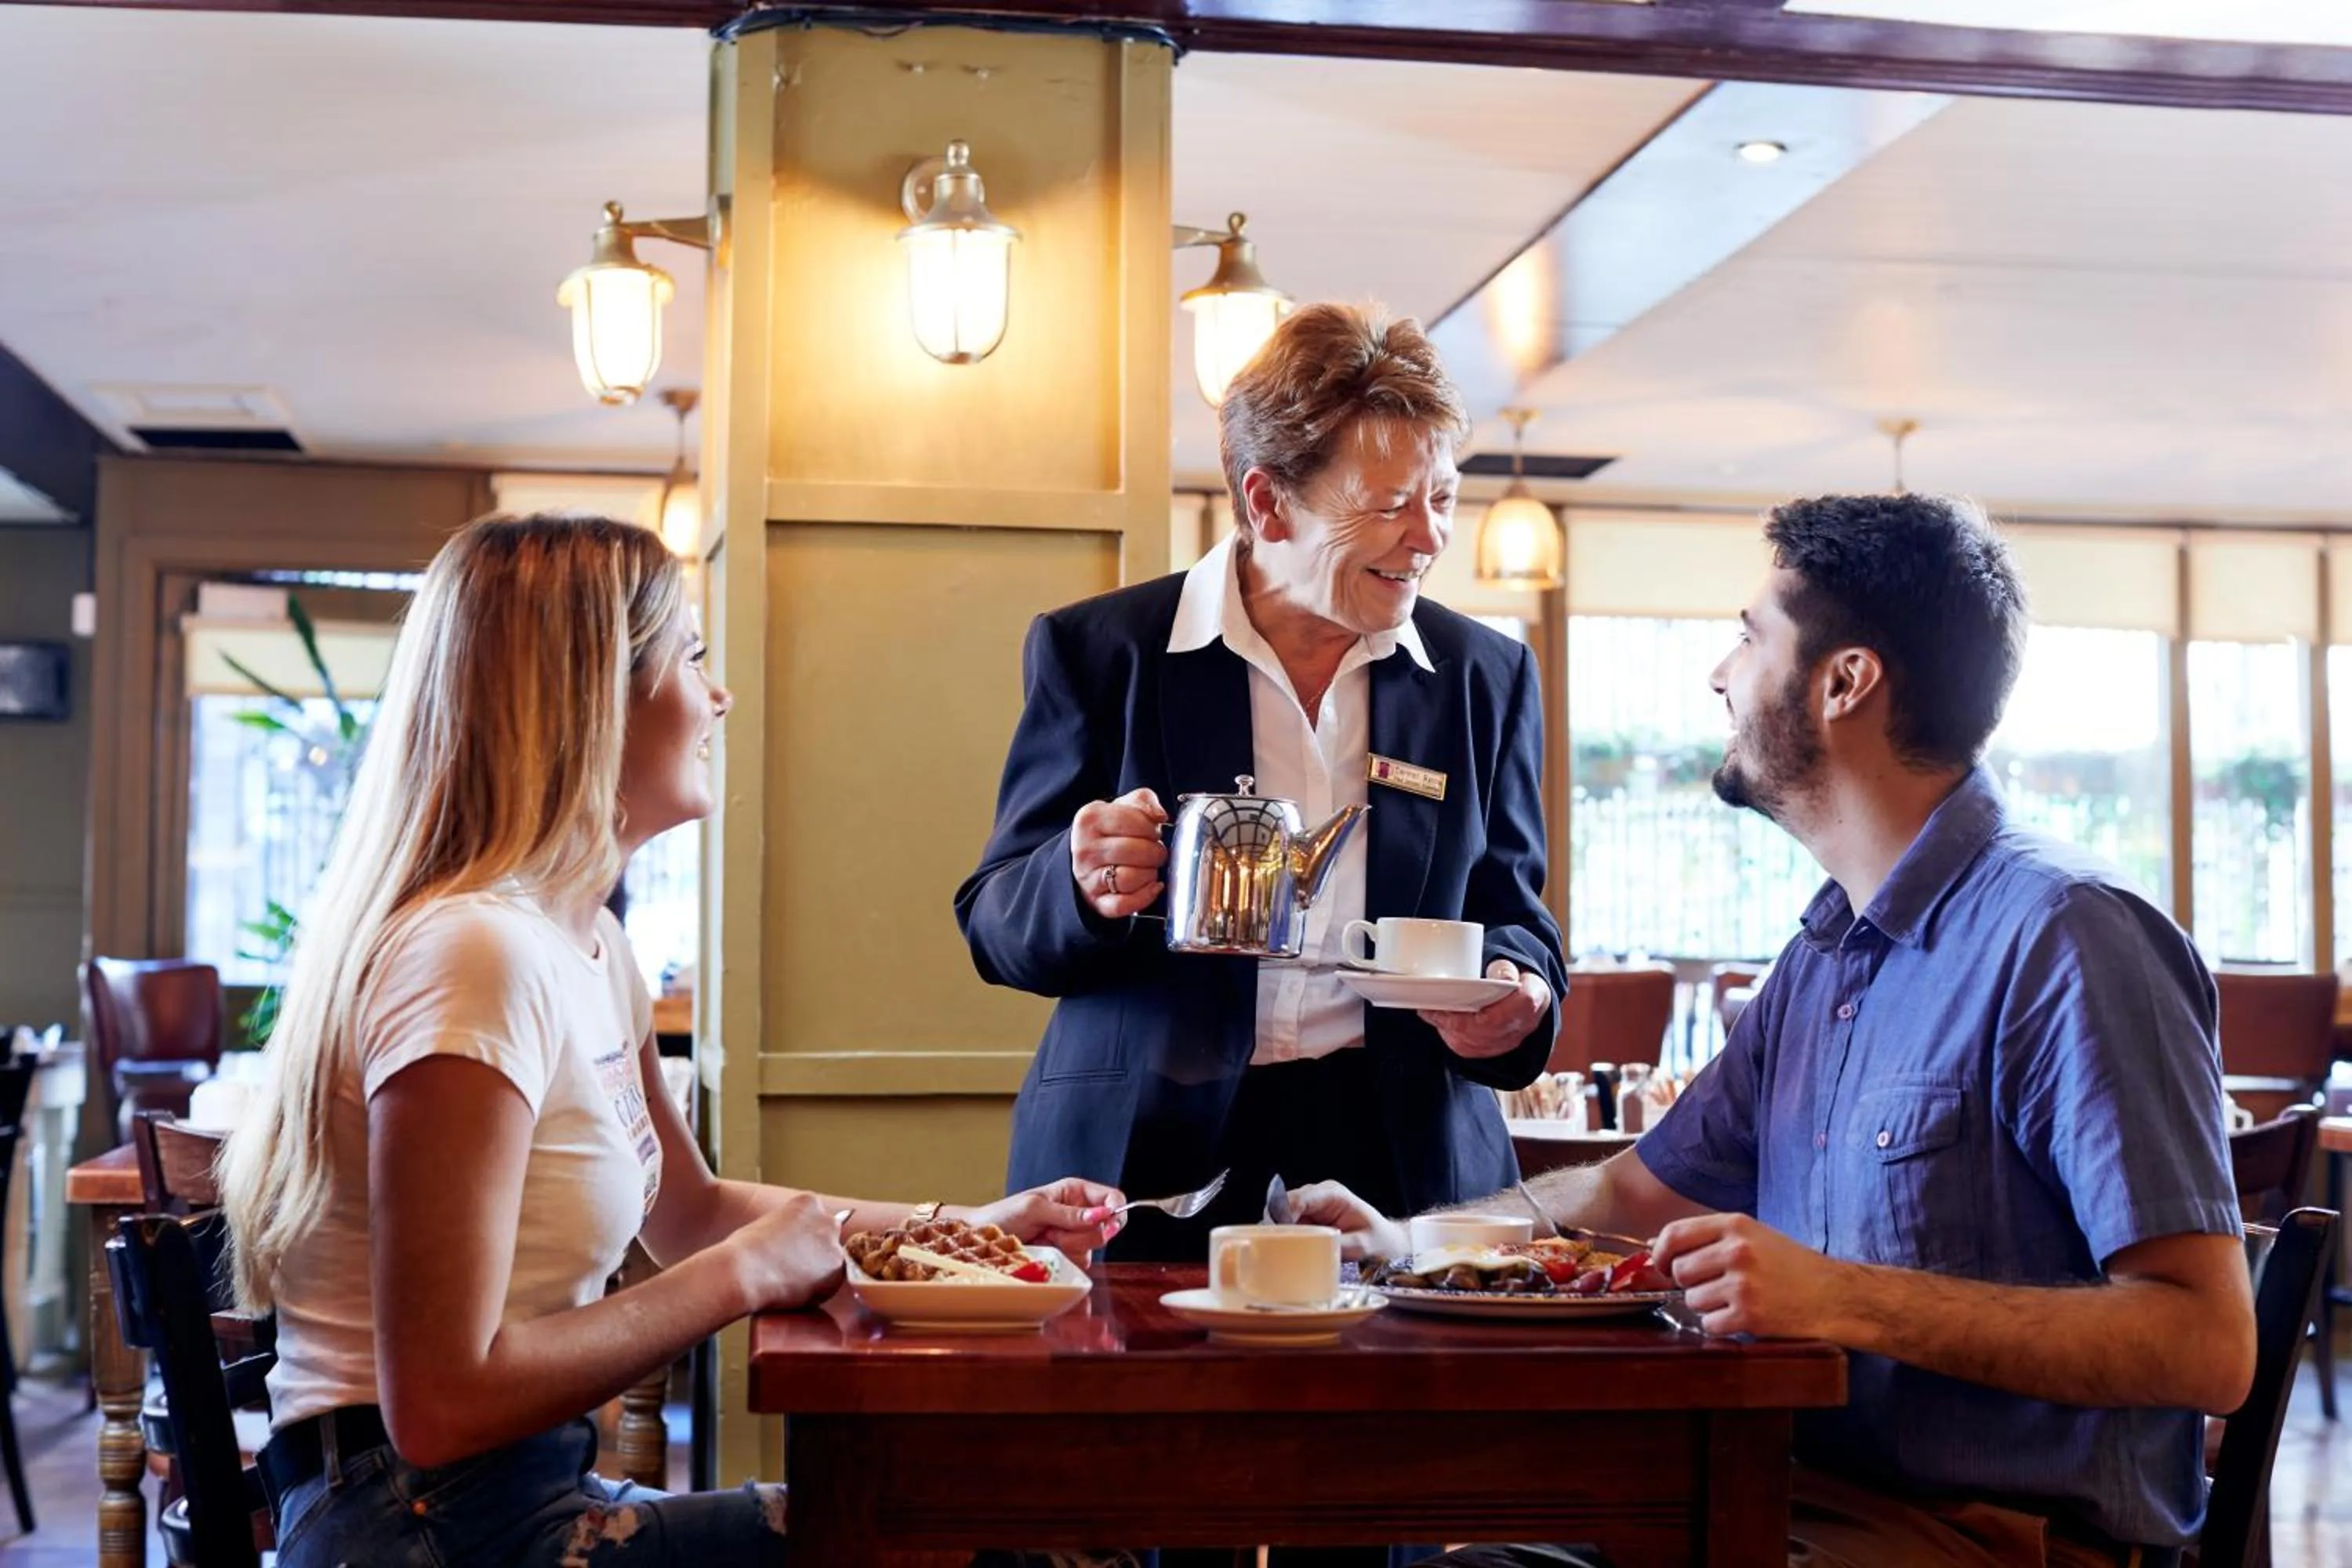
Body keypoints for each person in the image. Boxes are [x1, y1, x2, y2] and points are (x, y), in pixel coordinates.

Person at [1301, 494, 2256, 1568]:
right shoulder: (1824, 957)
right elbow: (1629, 1191)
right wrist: (1415, 1250)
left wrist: (1842, 1300)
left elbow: (2206, 1343)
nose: (1719, 673)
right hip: (1775, 1496)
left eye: (1750, 637)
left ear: (1845, 681)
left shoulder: (2068, 936)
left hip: (1989, 1543)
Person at [220, 514, 1123, 1567]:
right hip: (421, 1525)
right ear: (592, 695)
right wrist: (742, 1278)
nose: (720, 694)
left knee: (989, 1529)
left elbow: (690, 1213)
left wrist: (961, 1233)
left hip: (513, 1498)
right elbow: (439, 1404)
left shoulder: (586, 943)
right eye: (692, 657)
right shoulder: (473, 956)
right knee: (1026, 1549)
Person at [956, 302, 1570, 1265]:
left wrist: (1517, 990)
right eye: (1388, 503)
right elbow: (994, 921)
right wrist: (1077, 883)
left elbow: (1515, 914)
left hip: (1402, 1155)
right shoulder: (1101, 651)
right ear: (1268, 501)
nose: (1428, 537)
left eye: (1442, 498)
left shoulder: (1485, 676)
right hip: (1137, 1164)